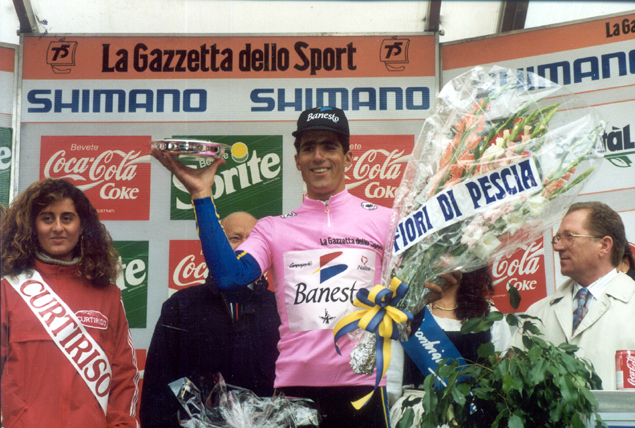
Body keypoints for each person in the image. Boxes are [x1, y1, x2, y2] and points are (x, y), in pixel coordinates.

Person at [150, 106, 429, 428]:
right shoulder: (273, 229)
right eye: (308, 147)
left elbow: (408, 304)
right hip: (294, 392)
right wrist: (201, 194)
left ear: (348, 157)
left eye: (329, 146)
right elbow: (229, 279)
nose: (318, 156)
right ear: (296, 160)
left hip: (363, 390)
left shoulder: (386, 221)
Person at [0, 178, 140, 427]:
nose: (57, 228)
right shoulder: (8, 290)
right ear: (33, 227)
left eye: (67, 218)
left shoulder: (108, 295)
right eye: (47, 218)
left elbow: (123, 377)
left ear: (81, 225)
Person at [139, 212, 281, 428]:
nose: (245, 248)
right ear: (217, 247)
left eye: (253, 240)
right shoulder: (180, 306)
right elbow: (156, 392)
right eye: (235, 238)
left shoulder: (282, 308)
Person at [510, 201, 635, 390]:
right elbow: (513, 384)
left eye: (570, 237)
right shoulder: (537, 313)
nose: (558, 246)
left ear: (604, 245)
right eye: (557, 238)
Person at [390, 267, 511, 428]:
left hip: (471, 417)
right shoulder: (407, 313)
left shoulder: (490, 317)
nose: (446, 259)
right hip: (415, 417)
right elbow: (391, 383)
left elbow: (501, 383)